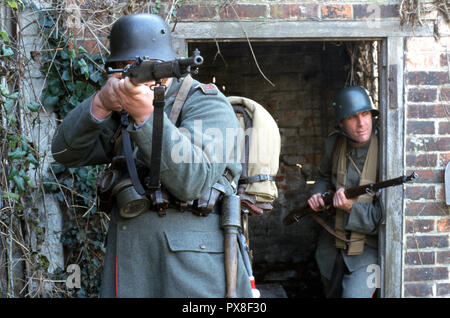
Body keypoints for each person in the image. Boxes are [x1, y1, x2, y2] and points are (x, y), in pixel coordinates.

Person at [51, 13, 252, 298]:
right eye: (119, 67)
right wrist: (99, 105)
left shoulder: (207, 103)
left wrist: (145, 115)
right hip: (132, 264)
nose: (127, 75)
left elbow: (191, 181)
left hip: (192, 273)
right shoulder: (120, 110)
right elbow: (63, 152)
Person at [307, 86, 382, 298]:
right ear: (341, 123)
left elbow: (385, 216)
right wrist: (318, 195)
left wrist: (351, 207)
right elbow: (322, 176)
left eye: (365, 114)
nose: (361, 124)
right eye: (352, 117)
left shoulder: (386, 147)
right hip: (331, 243)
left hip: (369, 248)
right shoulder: (334, 143)